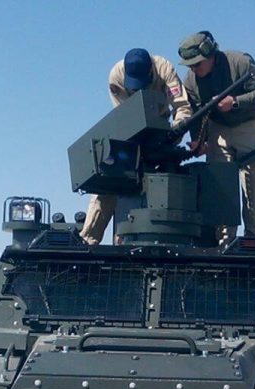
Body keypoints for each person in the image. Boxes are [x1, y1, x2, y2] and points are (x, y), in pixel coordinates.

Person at [80, 48, 192, 245]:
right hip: (131, 135)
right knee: (109, 182)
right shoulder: (116, 76)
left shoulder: (163, 68)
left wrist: (176, 131)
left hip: (164, 128)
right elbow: (123, 117)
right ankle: (88, 239)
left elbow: (182, 106)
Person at [178, 31, 255, 240]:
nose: (194, 69)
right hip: (218, 128)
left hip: (249, 124)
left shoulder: (240, 62)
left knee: (253, 182)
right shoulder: (191, 81)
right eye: (190, 66)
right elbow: (194, 111)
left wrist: (235, 101)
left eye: (197, 63)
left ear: (211, 54)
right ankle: (224, 240)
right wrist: (199, 140)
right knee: (220, 183)